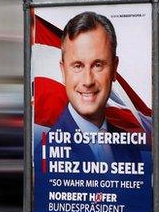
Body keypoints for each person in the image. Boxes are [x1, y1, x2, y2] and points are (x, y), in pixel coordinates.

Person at [49, 12, 143, 163]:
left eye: (97, 65)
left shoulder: (131, 149)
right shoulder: (47, 154)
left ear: (114, 69)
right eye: (78, 66)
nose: (88, 81)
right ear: (63, 71)